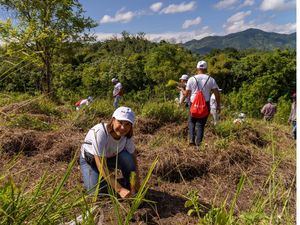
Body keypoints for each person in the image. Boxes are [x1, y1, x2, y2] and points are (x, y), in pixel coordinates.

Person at [79, 106, 140, 199]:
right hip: (92, 161)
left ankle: (127, 183)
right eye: (120, 122)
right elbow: (101, 165)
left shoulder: (127, 136)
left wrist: (136, 181)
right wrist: (119, 189)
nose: (123, 127)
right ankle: (104, 179)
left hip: (111, 157)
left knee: (128, 158)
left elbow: (133, 159)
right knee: (96, 193)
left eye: (128, 124)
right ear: (113, 120)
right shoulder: (100, 132)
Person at [185, 60, 221, 146]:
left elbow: (187, 94)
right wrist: (218, 105)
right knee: (201, 124)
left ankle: (191, 139)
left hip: (193, 104)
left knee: (191, 121)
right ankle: (198, 144)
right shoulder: (211, 79)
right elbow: (216, 93)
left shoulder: (191, 79)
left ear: (197, 68)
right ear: (206, 68)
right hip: (206, 104)